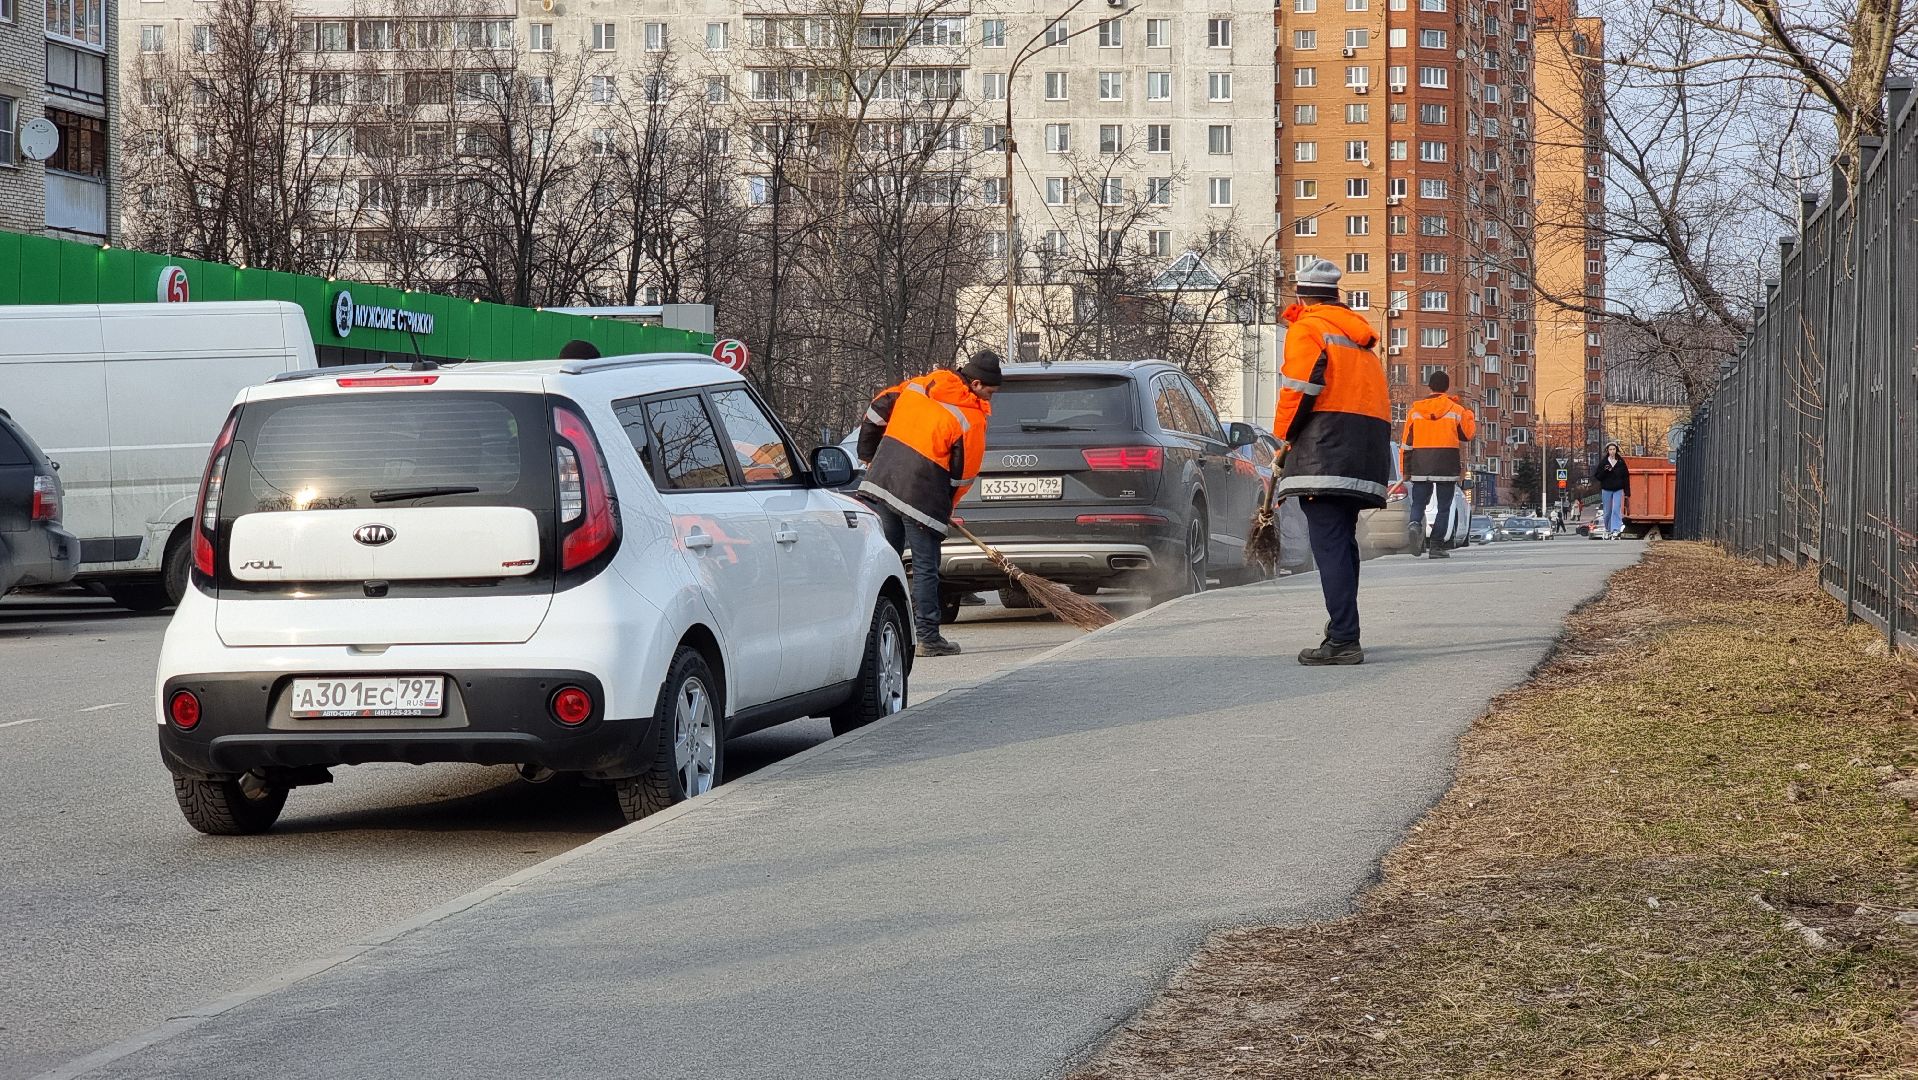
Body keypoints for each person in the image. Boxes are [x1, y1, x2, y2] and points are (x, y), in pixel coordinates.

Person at [1272, 259, 1391, 666]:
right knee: (1342, 542)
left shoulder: (1308, 328)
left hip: (1326, 448)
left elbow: (1299, 389)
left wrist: (1284, 439)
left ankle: (1343, 638)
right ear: (1335, 296)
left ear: (1300, 296)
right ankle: (1343, 629)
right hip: (1364, 447)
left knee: (1329, 546)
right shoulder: (1358, 339)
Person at [857, 352, 1001, 656]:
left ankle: (869, 633)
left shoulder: (921, 385)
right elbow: (963, 476)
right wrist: (945, 507)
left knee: (885, 563)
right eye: (991, 391)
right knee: (924, 567)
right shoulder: (971, 419)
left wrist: (869, 455)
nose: (992, 398)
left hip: (882, 482)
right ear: (976, 384)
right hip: (923, 494)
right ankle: (928, 638)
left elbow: (876, 410)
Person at [1399, 370, 1476, 560]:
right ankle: (1436, 546)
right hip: (1446, 463)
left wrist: (1405, 471)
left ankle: (1415, 524)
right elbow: (1467, 435)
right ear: (1447, 387)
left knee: (1419, 503)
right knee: (1444, 507)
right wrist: (1468, 414)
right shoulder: (1455, 410)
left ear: (1430, 387)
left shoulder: (1415, 411)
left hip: (1420, 463)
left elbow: (1406, 444)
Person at [1595, 443, 1630, 539]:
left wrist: (1627, 493)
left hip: (1618, 489)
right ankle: (1608, 528)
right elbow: (1598, 476)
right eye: (1610, 449)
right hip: (1606, 489)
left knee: (1616, 509)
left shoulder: (1621, 463)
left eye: (1614, 449)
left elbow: (1626, 477)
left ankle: (1615, 529)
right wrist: (1605, 471)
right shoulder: (1604, 462)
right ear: (1607, 450)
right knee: (1607, 512)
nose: (1612, 451)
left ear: (1616, 450)